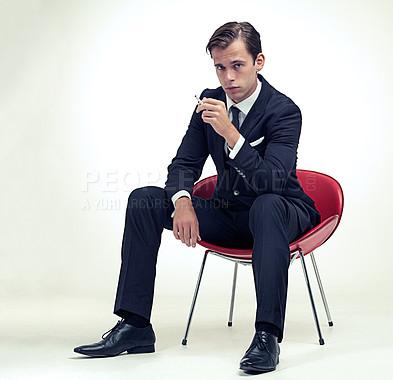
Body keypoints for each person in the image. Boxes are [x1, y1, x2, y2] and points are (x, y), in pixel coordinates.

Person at [74, 21, 320, 373]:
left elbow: (272, 181)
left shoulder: (283, 110)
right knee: (144, 199)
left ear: (259, 62)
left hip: (282, 211)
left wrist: (231, 135)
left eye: (237, 65)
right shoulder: (210, 100)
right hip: (229, 212)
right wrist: (183, 202)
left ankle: (267, 337)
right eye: (220, 67)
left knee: (266, 205)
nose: (228, 78)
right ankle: (135, 326)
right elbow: (184, 163)